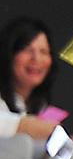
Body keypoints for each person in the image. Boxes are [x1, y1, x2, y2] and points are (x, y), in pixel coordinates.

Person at [0, 16, 59, 148]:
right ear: (9, 54)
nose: (36, 59)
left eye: (43, 52)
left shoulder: (40, 105)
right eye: (27, 50)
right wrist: (23, 126)